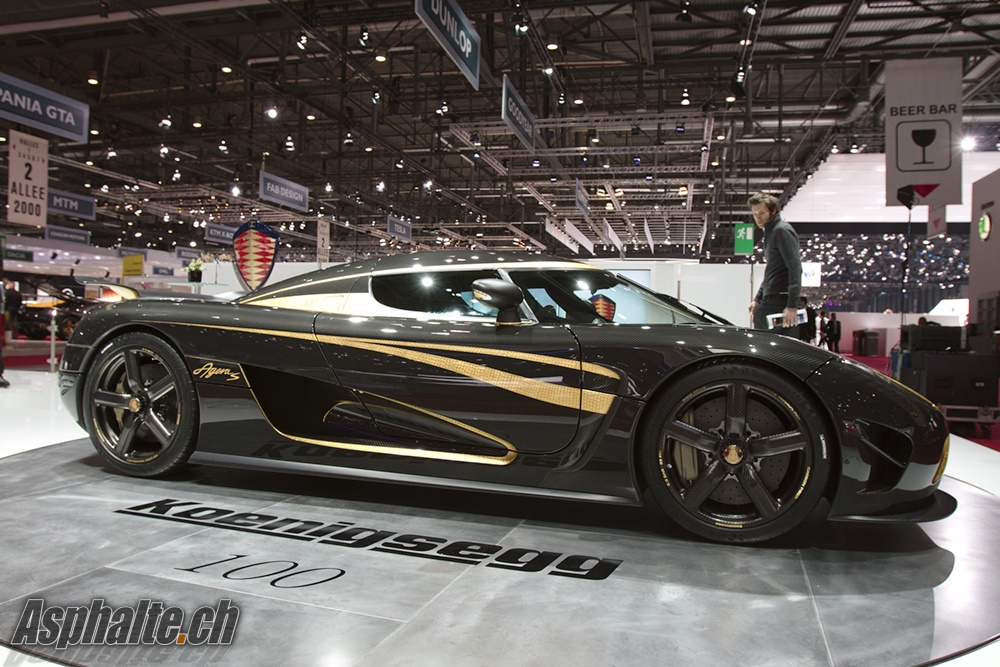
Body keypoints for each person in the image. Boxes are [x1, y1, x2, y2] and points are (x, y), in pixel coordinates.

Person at [747, 193, 802, 334]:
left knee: (769, 344)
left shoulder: (781, 231)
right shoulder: (772, 232)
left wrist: (792, 305)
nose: (758, 218)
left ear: (773, 211)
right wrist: (757, 298)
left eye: (762, 213)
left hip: (780, 301)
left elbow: (795, 268)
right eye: (755, 214)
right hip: (773, 299)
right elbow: (772, 270)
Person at [3, 277, 20, 342]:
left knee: (7, 322)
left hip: (8, 309)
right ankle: (15, 335)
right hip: (16, 309)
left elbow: (6, 301)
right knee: (15, 322)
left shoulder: (7, 293)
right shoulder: (18, 293)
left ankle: (7, 336)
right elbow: (20, 302)